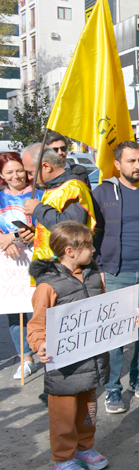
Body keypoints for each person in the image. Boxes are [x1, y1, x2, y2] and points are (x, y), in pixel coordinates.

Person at [27, 221, 109, 470]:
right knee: (63, 417)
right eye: (88, 246)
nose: (94, 250)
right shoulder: (48, 286)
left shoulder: (94, 276)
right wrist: (39, 343)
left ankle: (84, 448)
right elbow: (36, 324)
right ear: (70, 251)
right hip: (63, 368)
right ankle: (62, 461)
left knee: (89, 411)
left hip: (91, 361)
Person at [93, 141, 139, 414]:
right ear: (118, 164)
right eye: (131, 161)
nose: (137, 165)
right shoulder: (102, 192)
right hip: (114, 272)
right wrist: (99, 267)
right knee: (116, 335)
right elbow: (93, 232)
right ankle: (112, 388)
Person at [21, 143, 96, 268]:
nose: (29, 178)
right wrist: (35, 233)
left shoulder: (72, 187)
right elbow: (54, 225)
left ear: (46, 166)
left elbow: (73, 228)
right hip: (50, 265)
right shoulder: (54, 188)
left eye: (30, 172)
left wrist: (38, 209)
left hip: (65, 269)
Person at [0, 152, 40, 379]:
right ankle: (25, 358)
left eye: (19, 170)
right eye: (9, 172)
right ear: (1, 176)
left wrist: (13, 236)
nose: (16, 176)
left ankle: (45, 350)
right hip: (9, 267)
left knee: (40, 308)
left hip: (37, 260)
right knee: (16, 314)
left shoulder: (39, 195)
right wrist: (4, 242)